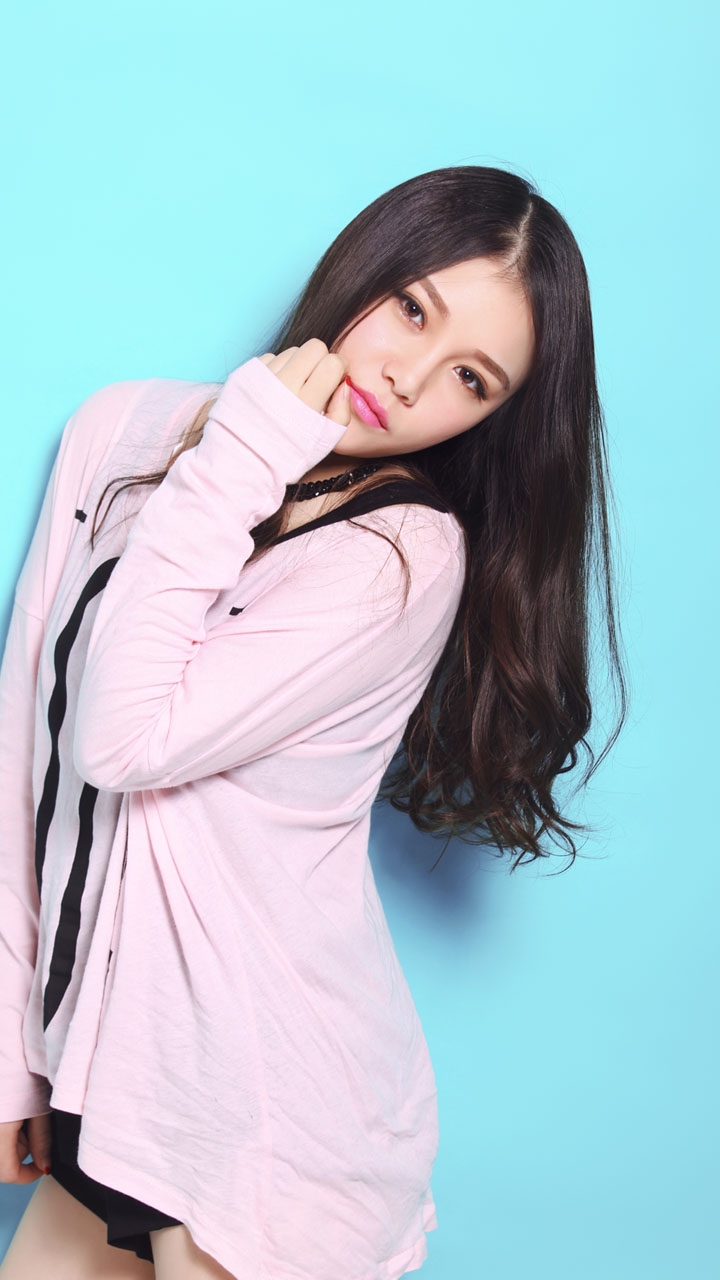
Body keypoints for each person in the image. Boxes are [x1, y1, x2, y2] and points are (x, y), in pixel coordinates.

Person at [0, 165, 625, 1279]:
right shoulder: (121, 432)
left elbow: (121, 738)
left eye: (469, 378)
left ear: (491, 416)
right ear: (366, 264)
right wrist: (11, 1046)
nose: (407, 378)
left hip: (263, 1119)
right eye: (413, 309)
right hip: (109, 1076)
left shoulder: (400, 557)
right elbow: (27, 757)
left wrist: (244, 453)